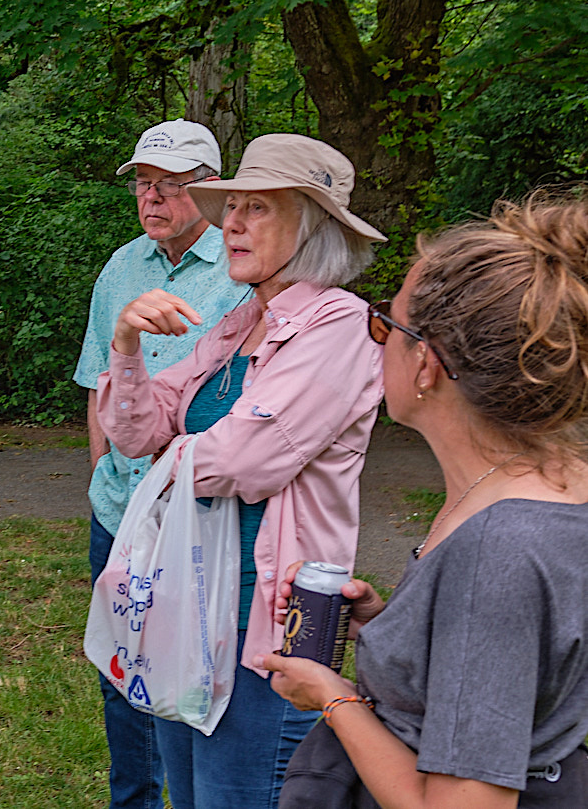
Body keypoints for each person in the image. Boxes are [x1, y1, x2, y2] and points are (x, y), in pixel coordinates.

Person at [259, 192, 588, 809]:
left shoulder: (501, 548)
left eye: (385, 322)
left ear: (427, 364)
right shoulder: (547, 484)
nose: (374, 339)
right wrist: (392, 626)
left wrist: (331, 696)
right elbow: (513, 665)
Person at [94, 133, 386, 807]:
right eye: (230, 208)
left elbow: (243, 461)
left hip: (270, 633)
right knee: (191, 796)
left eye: (256, 208)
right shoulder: (239, 321)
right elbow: (137, 433)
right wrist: (127, 344)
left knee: (244, 796)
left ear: (310, 229)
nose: (230, 223)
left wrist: (171, 460)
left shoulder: (338, 326)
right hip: (189, 616)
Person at [72, 119, 246, 809]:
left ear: (209, 191)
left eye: (170, 185)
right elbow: (97, 385)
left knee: (193, 675)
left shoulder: (238, 275)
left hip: (200, 519)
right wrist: (105, 486)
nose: (152, 198)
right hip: (120, 513)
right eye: (144, 184)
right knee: (123, 672)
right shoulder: (121, 269)